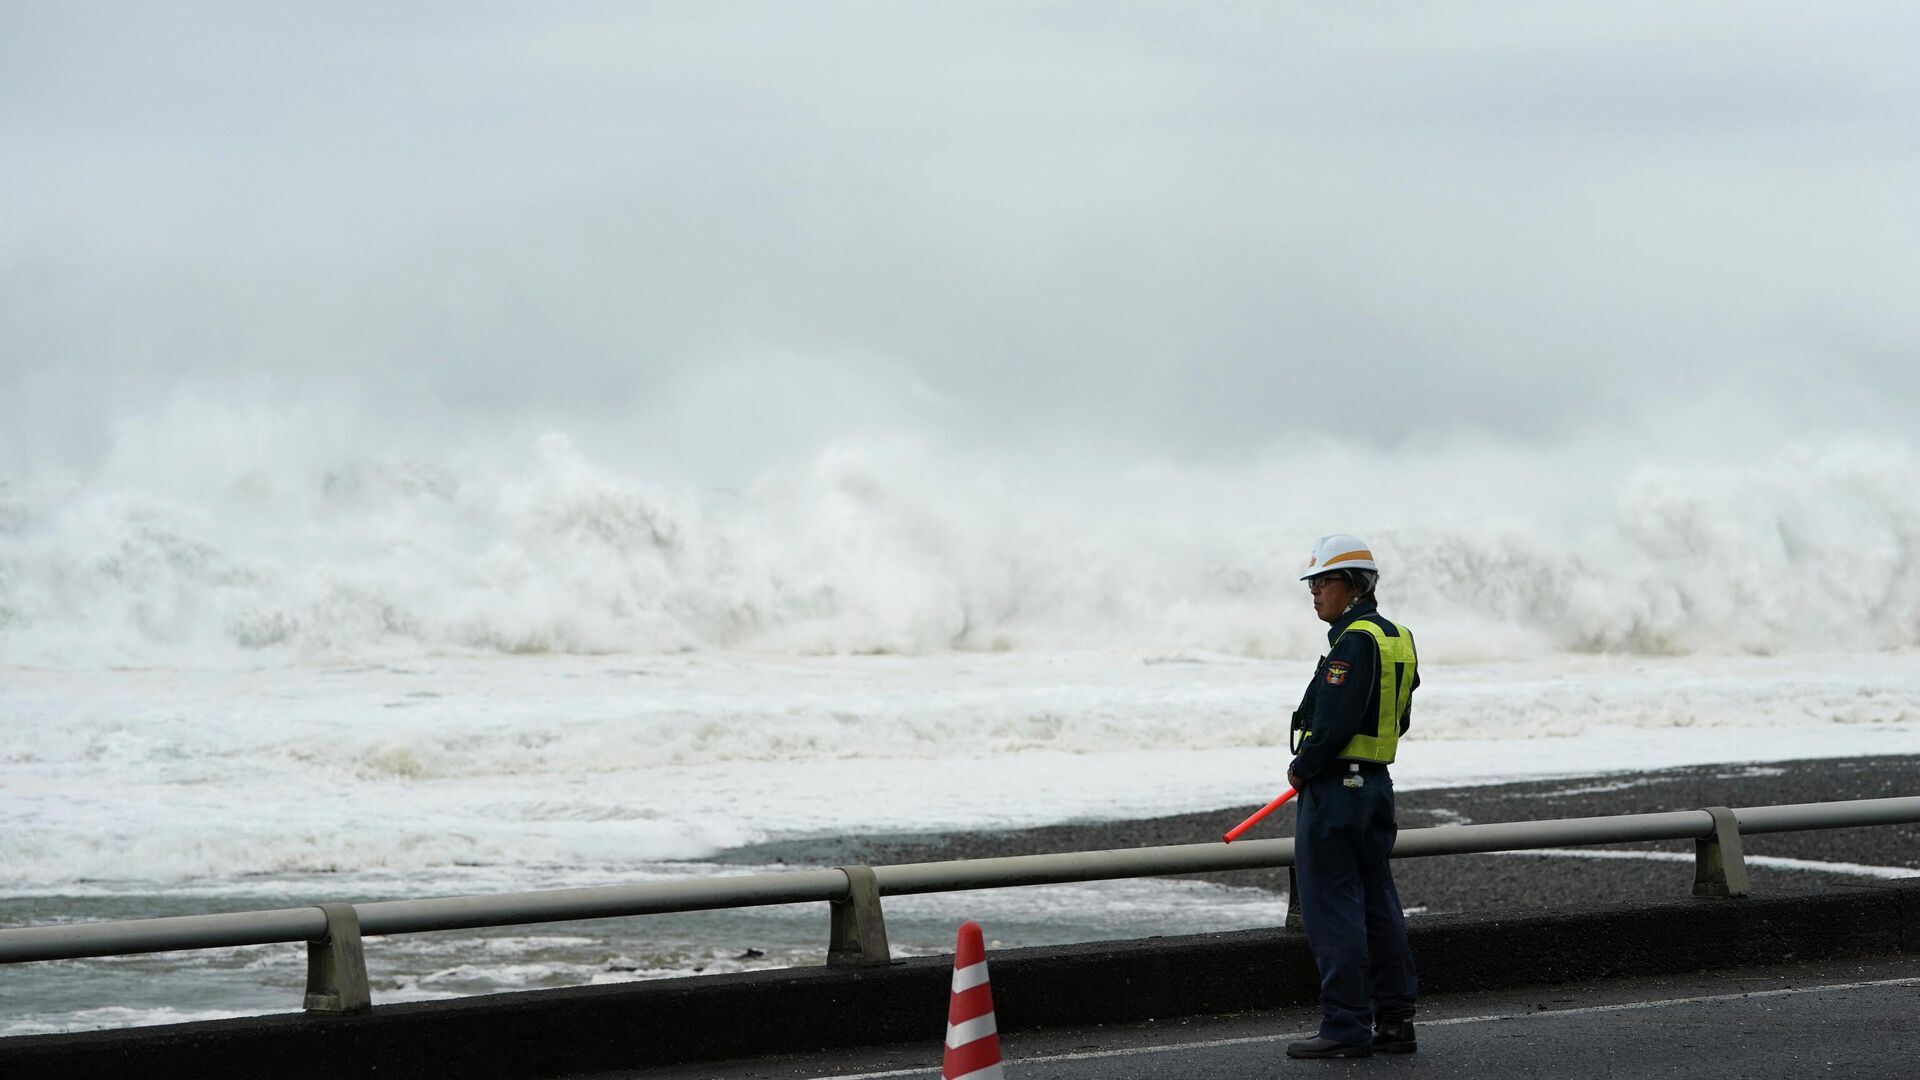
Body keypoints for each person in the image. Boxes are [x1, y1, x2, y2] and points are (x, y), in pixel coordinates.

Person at [1284, 534, 1420, 1060]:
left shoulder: (1353, 641)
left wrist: (1304, 766)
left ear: (1354, 585)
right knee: (1378, 902)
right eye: (1312, 584)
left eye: (1322, 582)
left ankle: (1344, 1025)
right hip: (1376, 787)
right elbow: (1399, 716)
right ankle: (1395, 1020)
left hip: (1336, 791)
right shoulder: (1398, 637)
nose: (1314, 593)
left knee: (1332, 906)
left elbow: (1335, 720)